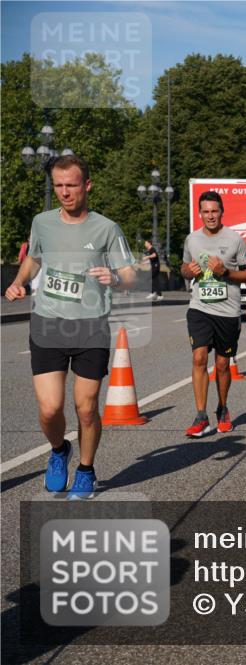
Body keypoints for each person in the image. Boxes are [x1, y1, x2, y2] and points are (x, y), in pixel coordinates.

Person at [5, 154, 137, 499]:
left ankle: (86, 470)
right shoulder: (42, 222)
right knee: (50, 409)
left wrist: (113, 278)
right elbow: (34, 258)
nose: (65, 192)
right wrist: (19, 282)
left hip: (91, 327)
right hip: (48, 323)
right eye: (58, 186)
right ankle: (60, 449)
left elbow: (130, 276)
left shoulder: (107, 228)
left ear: (87, 185)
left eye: (71, 185)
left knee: (86, 407)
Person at [180, 192, 246, 437]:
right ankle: (201, 416)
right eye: (206, 211)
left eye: (214, 211)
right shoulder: (192, 239)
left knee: (222, 365)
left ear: (222, 212)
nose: (210, 216)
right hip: (200, 308)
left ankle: (222, 408)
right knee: (199, 358)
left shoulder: (235, 240)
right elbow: (184, 266)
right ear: (200, 213)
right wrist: (188, 271)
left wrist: (225, 272)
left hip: (228, 312)